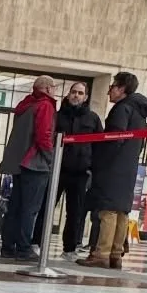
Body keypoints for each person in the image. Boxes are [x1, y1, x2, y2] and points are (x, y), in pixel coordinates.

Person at [83, 72, 147, 269]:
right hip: (128, 166)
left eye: (112, 87)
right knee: (122, 211)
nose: (109, 91)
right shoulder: (139, 112)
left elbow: (114, 139)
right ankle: (116, 254)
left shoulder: (122, 109)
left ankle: (101, 253)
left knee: (108, 210)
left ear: (122, 88)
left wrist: (99, 161)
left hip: (113, 166)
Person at [0, 77, 57, 259]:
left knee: (15, 206)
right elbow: (44, 135)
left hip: (19, 164)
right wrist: (51, 159)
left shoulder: (25, 105)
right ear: (47, 88)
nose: (54, 90)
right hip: (35, 163)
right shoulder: (45, 105)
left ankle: (8, 247)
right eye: (53, 87)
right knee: (30, 209)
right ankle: (24, 247)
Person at [53, 80, 102, 255]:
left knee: (75, 212)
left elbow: (99, 146)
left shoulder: (93, 119)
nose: (76, 95)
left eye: (80, 93)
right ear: (68, 94)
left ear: (86, 97)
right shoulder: (57, 116)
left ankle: (70, 248)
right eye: (74, 92)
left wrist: (92, 168)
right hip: (58, 170)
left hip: (80, 172)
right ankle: (37, 242)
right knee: (46, 207)